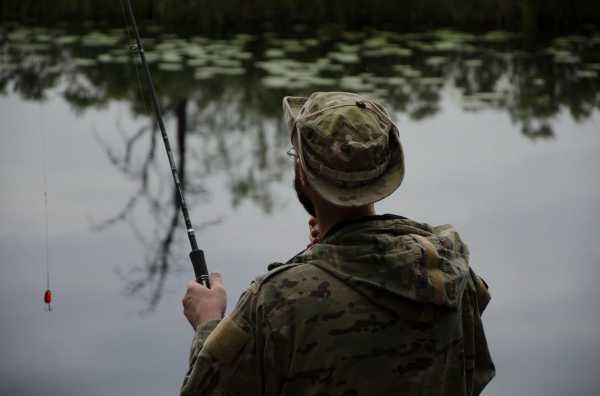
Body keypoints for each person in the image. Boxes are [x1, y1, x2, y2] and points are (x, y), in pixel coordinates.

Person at [180, 92, 495, 395]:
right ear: (384, 173)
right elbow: (476, 375)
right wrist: (327, 254)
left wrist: (207, 322)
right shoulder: (454, 275)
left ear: (303, 173)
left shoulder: (276, 301)